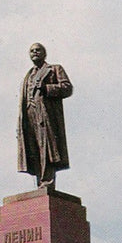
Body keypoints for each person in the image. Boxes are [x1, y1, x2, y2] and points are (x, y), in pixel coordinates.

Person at [17, 43, 73, 189]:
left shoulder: (54, 69)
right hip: (30, 115)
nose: (35, 52)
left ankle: (47, 181)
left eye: (38, 50)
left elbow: (67, 88)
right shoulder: (28, 75)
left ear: (44, 53)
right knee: (33, 148)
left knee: (46, 147)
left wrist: (47, 88)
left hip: (46, 116)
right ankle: (40, 180)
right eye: (32, 51)